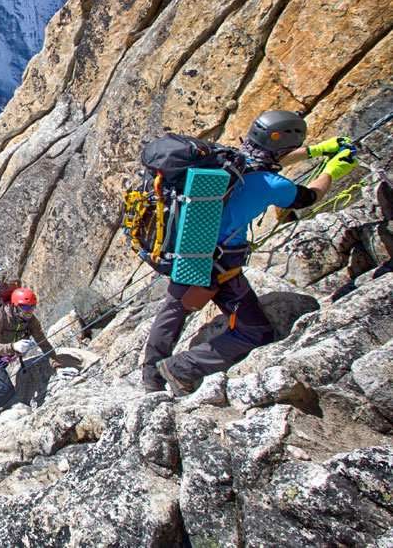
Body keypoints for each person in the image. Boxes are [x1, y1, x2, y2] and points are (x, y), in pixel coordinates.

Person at [142, 110, 356, 395]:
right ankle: (181, 368)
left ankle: (150, 378)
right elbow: (309, 196)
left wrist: (314, 151)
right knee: (255, 331)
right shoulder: (273, 185)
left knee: (173, 311)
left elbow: (267, 165)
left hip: (187, 249)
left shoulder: (228, 160)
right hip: (220, 263)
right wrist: (332, 169)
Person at [0, 286, 67, 428]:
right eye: (25, 308)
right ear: (15, 306)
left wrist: (57, 366)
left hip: (5, 356)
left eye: (32, 307)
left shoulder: (30, 320)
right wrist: (14, 347)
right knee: (5, 389)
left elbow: (43, 342)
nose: (30, 311)